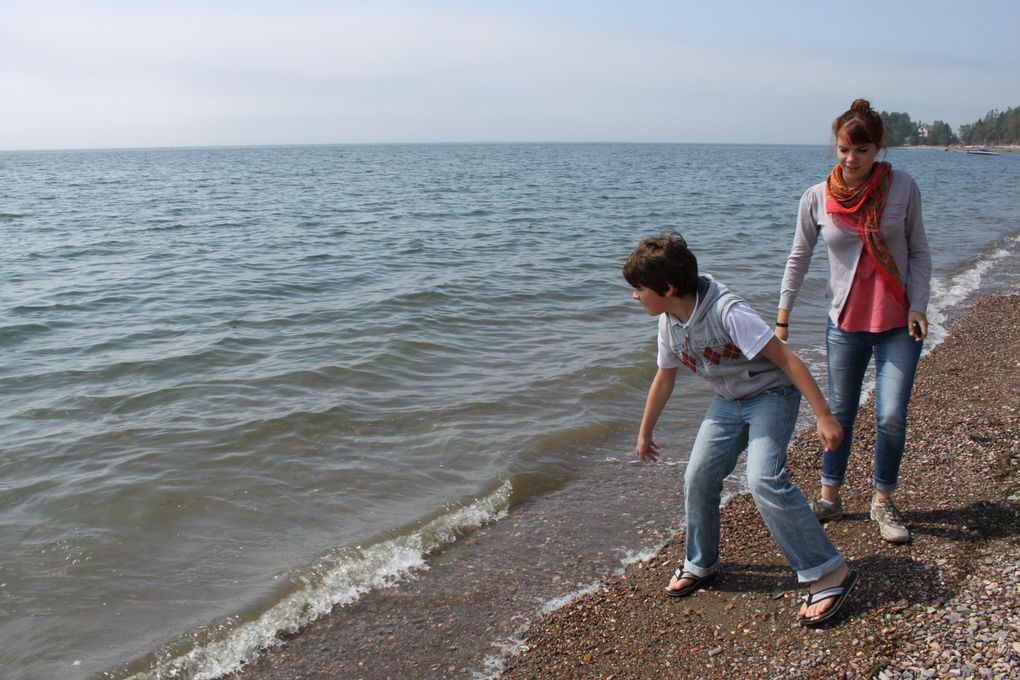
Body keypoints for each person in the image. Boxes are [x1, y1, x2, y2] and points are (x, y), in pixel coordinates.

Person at [624, 232, 858, 627]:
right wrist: (644, 432)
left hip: (772, 395)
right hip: (728, 401)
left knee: (764, 480)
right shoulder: (669, 321)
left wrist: (824, 416)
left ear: (667, 288)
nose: (635, 297)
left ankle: (829, 572)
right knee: (698, 476)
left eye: (639, 289)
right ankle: (701, 562)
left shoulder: (729, 312)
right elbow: (664, 378)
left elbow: (787, 358)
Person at [776, 98, 931, 544]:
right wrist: (782, 319)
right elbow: (798, 258)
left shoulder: (903, 187)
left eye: (861, 150)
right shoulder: (817, 197)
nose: (852, 158)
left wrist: (918, 304)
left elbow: (919, 253)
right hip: (844, 323)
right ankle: (830, 496)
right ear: (837, 147)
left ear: (878, 148)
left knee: (891, 415)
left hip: (900, 322)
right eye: (845, 149)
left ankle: (882, 500)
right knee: (839, 411)